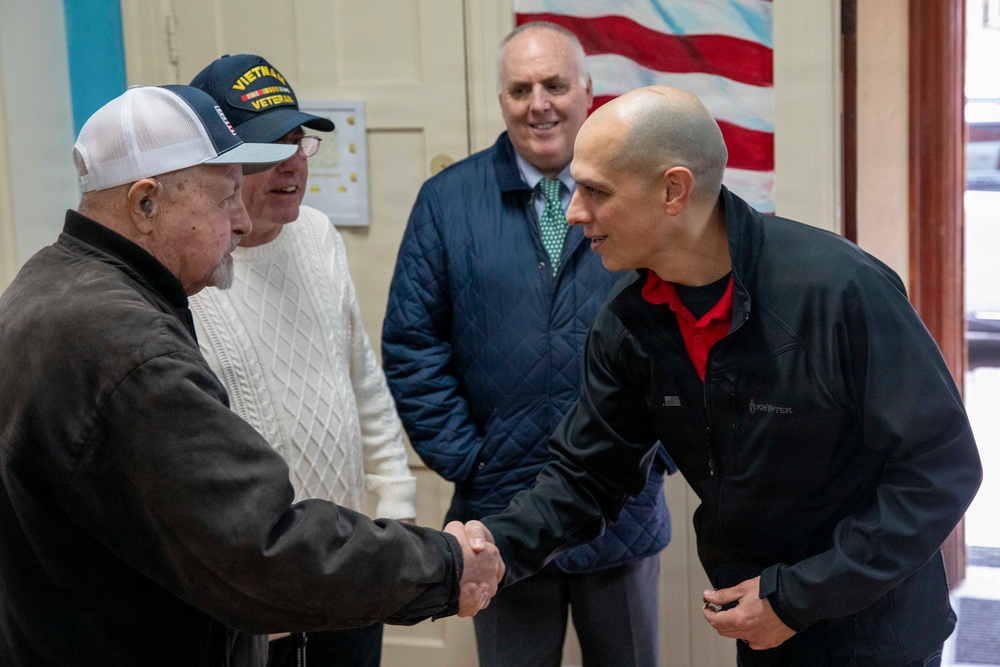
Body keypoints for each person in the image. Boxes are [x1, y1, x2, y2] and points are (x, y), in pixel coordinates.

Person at [474, 84, 983, 667]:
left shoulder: (839, 289)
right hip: (758, 622)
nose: (572, 210)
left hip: (875, 629)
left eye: (595, 190)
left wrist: (797, 597)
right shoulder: (629, 321)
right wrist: (488, 550)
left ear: (673, 190)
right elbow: (586, 476)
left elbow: (940, 470)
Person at [0, 84, 503, 667]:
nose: (242, 222)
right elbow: (263, 547)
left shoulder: (46, 281)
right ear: (145, 204)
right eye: (225, 199)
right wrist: (446, 565)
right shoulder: (127, 350)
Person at [382, 22, 671, 667]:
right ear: (502, 99)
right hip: (500, 514)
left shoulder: (637, 197)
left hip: (619, 508)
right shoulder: (446, 202)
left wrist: (660, 456)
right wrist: (470, 458)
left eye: (554, 85)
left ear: (588, 92)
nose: (538, 103)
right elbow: (411, 345)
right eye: (520, 88)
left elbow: (685, 327)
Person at [187, 53, 413, 667]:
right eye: (266, 148)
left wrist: (395, 506)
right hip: (257, 598)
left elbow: (362, 379)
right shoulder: (191, 272)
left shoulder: (318, 235)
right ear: (219, 162)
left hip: (354, 573)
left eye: (296, 141)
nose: (290, 164)